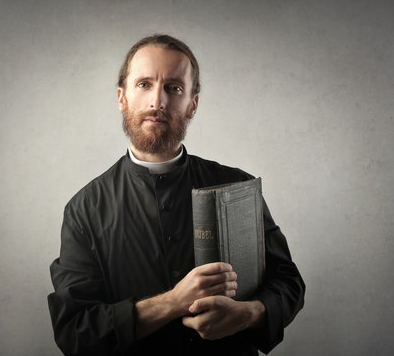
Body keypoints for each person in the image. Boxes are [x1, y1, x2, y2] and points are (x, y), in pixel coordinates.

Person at [48, 34, 305, 356]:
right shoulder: (84, 209)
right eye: (143, 84)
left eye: (174, 87)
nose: (158, 101)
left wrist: (249, 314)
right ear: (121, 97)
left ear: (192, 104)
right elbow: (75, 332)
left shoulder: (238, 187)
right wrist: (174, 301)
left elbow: (288, 282)